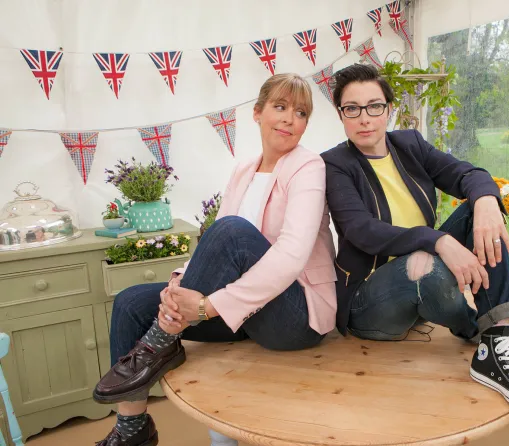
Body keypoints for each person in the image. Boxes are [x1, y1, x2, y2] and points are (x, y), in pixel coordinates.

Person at [93, 73, 338, 446]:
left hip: (294, 314)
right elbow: (213, 247)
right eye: (280, 106)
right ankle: (132, 430)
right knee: (129, 302)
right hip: (241, 312)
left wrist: (208, 305)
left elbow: (291, 254)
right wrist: (178, 285)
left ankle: (163, 337)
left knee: (231, 230)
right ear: (257, 113)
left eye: (301, 112)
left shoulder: (308, 167)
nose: (290, 118)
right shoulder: (243, 171)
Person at [320, 64, 509, 413]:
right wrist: (439, 240)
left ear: (389, 109)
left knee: (480, 212)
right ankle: (479, 326)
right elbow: (362, 230)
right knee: (424, 262)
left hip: (423, 277)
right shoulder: (335, 164)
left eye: (374, 106)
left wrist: (489, 202)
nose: (364, 118)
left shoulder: (409, 144)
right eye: (351, 109)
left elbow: (468, 173)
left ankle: (497, 334)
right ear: (341, 114)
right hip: (369, 303)